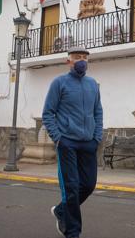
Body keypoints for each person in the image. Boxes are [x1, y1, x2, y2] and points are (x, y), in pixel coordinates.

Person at [42, 46, 103, 238]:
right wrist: (59, 139)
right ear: (68, 61)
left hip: (88, 143)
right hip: (67, 142)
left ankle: (61, 211)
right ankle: (73, 232)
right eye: (77, 57)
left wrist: (97, 137)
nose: (82, 61)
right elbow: (48, 113)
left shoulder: (93, 84)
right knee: (71, 187)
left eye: (85, 57)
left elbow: (98, 112)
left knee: (88, 185)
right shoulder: (59, 83)